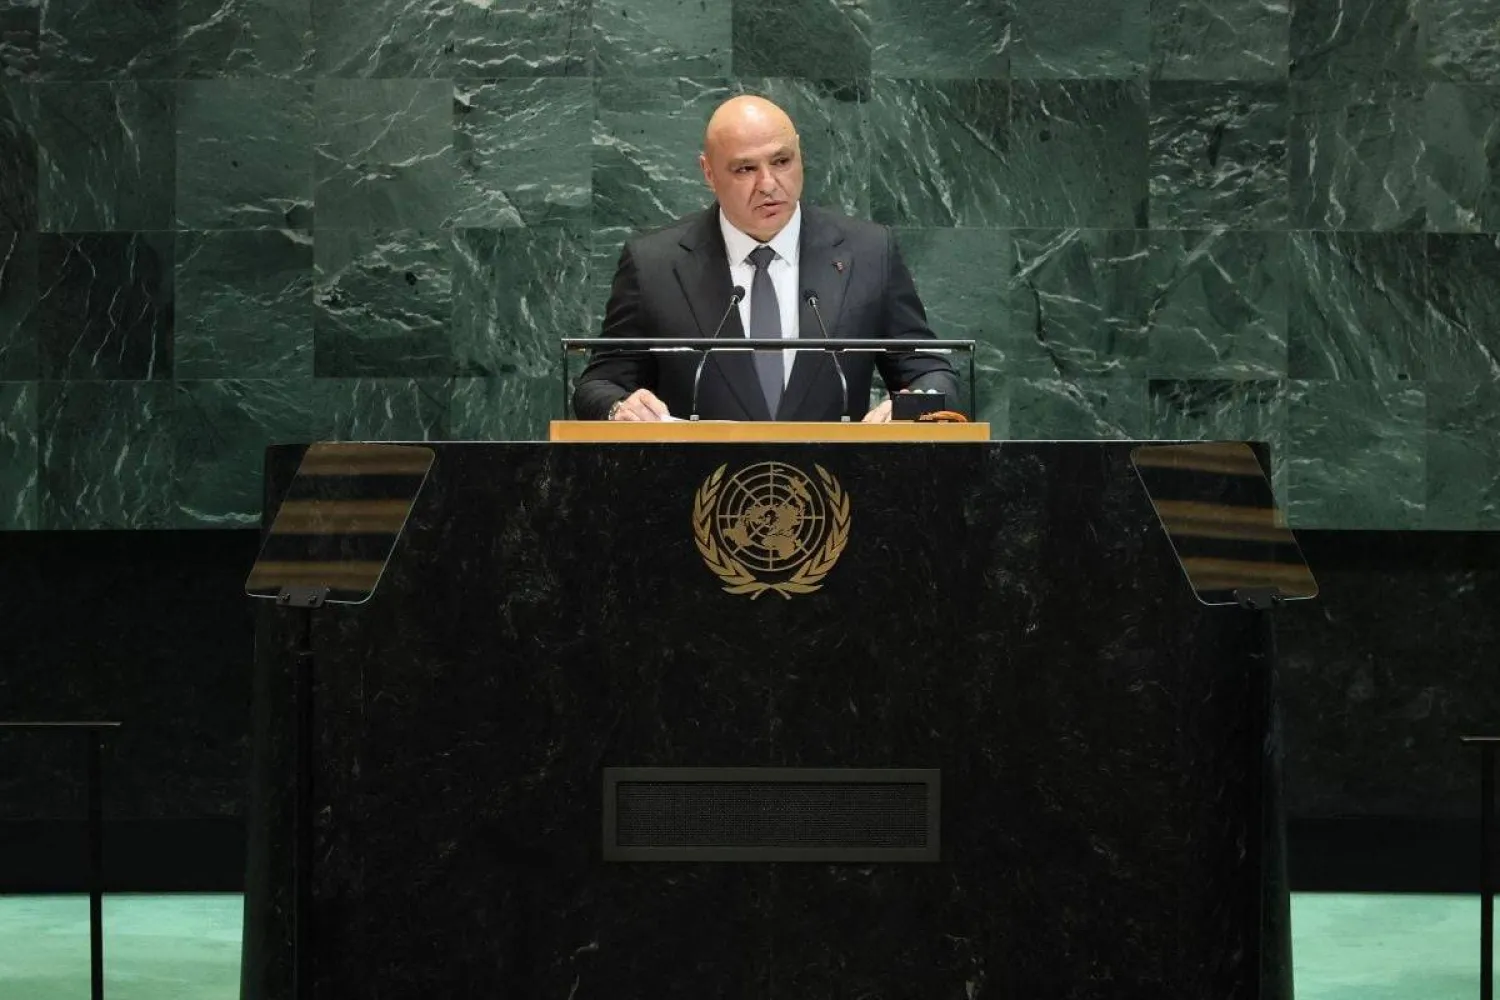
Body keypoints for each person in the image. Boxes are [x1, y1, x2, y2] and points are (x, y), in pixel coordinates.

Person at [573, 95, 958, 423]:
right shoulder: (654, 265)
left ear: (800, 154)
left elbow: (930, 372)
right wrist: (620, 408)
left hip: (835, 481)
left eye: (781, 161)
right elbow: (600, 384)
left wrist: (909, 408)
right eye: (745, 169)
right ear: (708, 172)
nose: (769, 184)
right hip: (700, 481)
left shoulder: (869, 252)